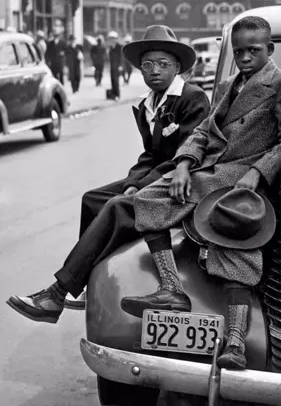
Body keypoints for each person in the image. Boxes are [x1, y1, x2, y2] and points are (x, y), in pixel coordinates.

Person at [119, 16, 281, 368]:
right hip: (209, 173)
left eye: (253, 51)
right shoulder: (229, 85)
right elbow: (203, 131)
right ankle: (171, 288)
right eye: (239, 51)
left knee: (236, 248)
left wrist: (258, 174)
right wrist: (184, 163)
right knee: (147, 199)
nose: (245, 57)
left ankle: (235, 344)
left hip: (243, 180)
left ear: (270, 50)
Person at [6, 25, 211, 323]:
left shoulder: (192, 98)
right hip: (155, 174)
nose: (155, 71)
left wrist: (137, 187)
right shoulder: (148, 103)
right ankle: (88, 282)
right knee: (92, 199)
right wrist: (132, 182)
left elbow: (187, 154)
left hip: (181, 181)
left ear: (177, 68)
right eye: (148, 65)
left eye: (163, 64)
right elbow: (150, 154)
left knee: (117, 206)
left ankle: (57, 293)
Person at [108, 31, 122, 100]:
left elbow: (121, 57)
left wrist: (120, 66)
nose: (112, 40)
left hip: (117, 66)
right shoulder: (111, 48)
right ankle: (113, 94)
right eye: (111, 38)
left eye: (113, 38)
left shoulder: (119, 47)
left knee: (116, 81)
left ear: (116, 39)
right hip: (112, 67)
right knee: (112, 80)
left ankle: (117, 95)